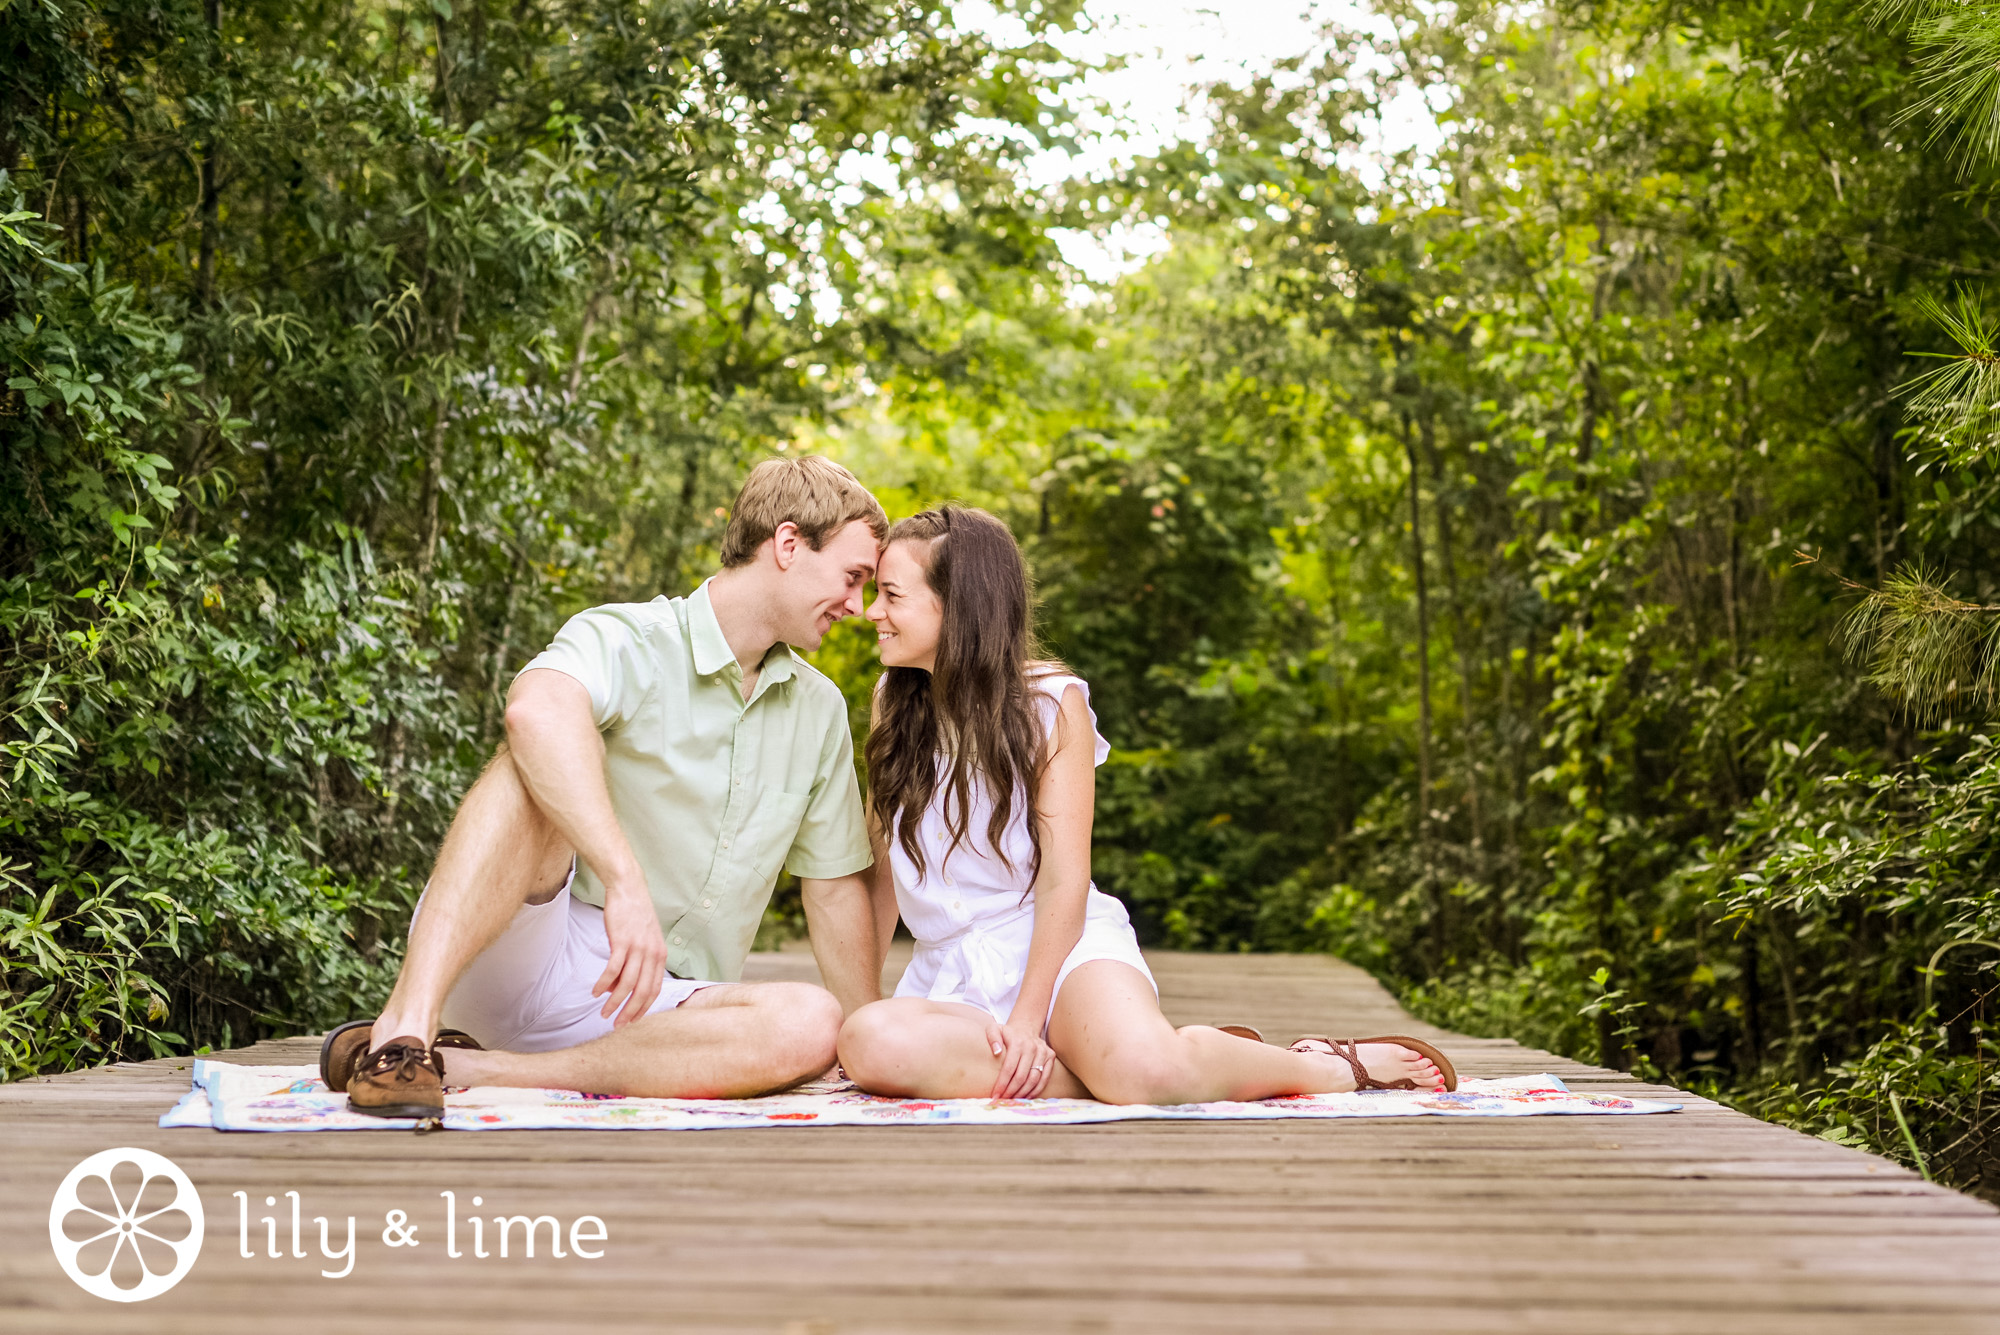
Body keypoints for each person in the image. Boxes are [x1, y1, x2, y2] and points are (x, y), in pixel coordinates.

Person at [321, 456, 893, 1118]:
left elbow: (831, 892)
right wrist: (625, 881)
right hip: (530, 951)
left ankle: (474, 1066)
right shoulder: (630, 637)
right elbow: (535, 711)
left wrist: (868, 1040)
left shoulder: (818, 709)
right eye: (853, 578)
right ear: (789, 545)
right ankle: (404, 1033)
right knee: (530, 762)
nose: (857, 606)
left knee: (812, 1022)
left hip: (663, 1017)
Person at [836, 506, 1456, 1104]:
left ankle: (1315, 1065)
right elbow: (883, 874)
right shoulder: (895, 699)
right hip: (952, 977)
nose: (872, 613)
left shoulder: (1050, 706)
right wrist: (867, 1001)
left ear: (960, 606)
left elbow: (1064, 880)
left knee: (1147, 1072)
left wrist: (1027, 1021)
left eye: (892, 595)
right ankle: (1148, 1069)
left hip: (1058, 949)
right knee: (870, 1042)